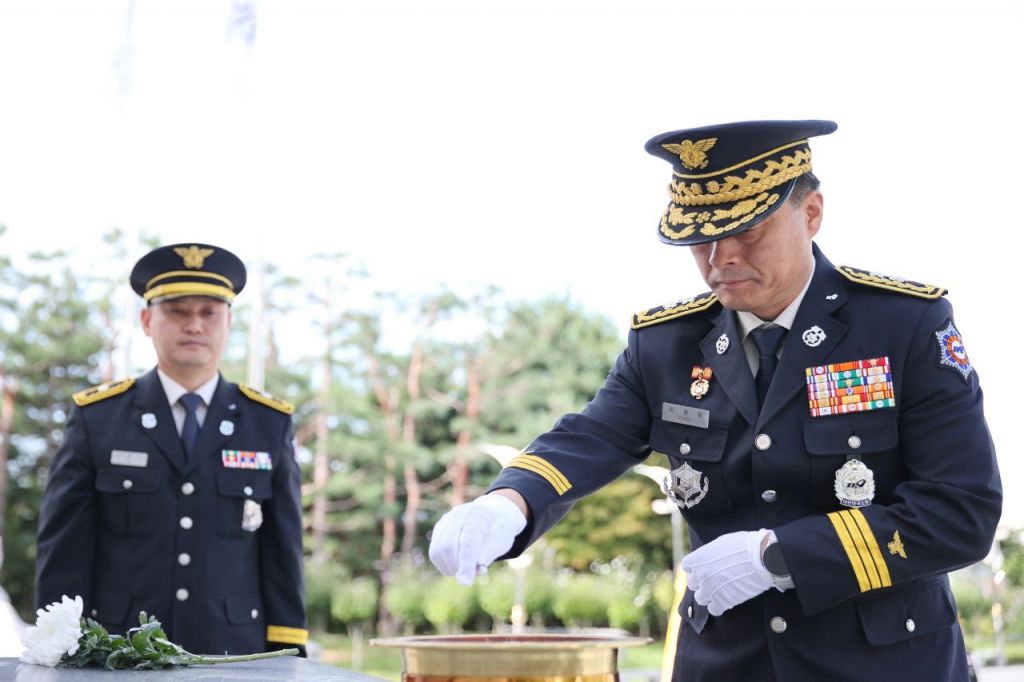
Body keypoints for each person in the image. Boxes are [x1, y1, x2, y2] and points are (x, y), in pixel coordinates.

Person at [428, 120, 1002, 681]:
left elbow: (961, 512)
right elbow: (591, 437)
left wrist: (781, 555)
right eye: (699, 237)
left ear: (811, 213)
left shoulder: (902, 326)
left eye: (748, 230)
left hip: (882, 663)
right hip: (724, 662)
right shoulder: (666, 344)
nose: (720, 256)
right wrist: (509, 503)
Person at [35, 243, 307, 656]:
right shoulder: (99, 418)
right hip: (119, 654)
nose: (194, 325)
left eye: (209, 313)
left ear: (229, 322)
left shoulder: (267, 423)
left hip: (234, 655)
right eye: (178, 311)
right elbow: (64, 549)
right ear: (147, 321)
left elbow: (283, 550)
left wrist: (287, 651)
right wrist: (58, 649)